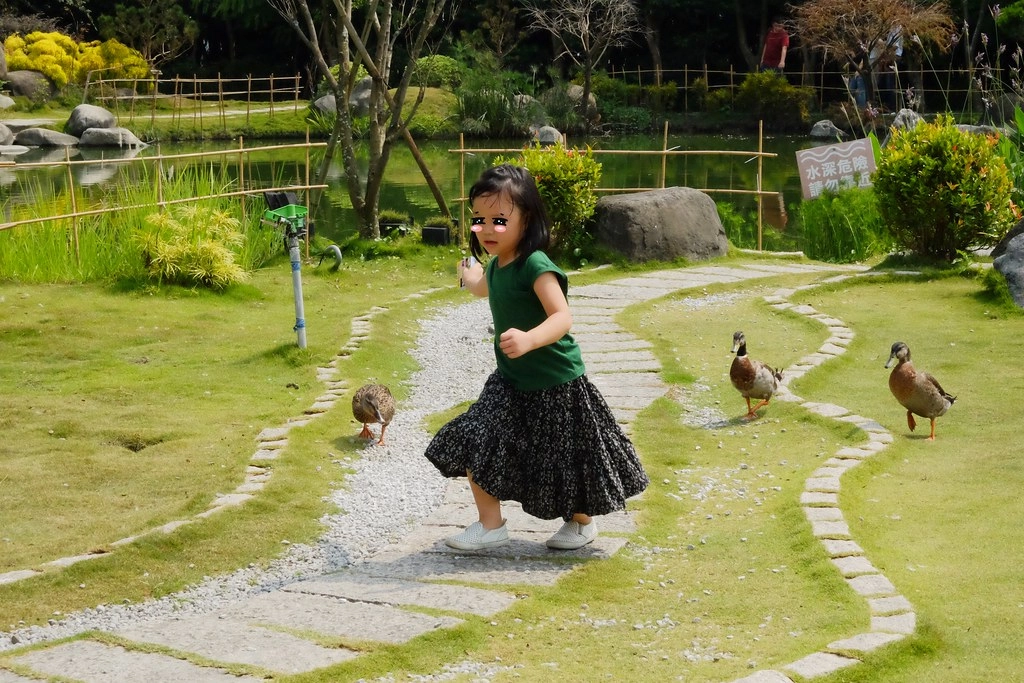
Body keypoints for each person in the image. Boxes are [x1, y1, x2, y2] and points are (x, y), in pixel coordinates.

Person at [425, 163, 649, 551]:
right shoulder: (497, 266)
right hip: (510, 382)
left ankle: (582, 523)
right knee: (474, 439)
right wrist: (469, 274)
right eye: (480, 219)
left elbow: (562, 317)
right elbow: (483, 288)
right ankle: (491, 525)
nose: (488, 229)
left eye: (499, 219)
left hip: (556, 383)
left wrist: (529, 339)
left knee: (565, 461)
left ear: (526, 220)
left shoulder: (536, 265)